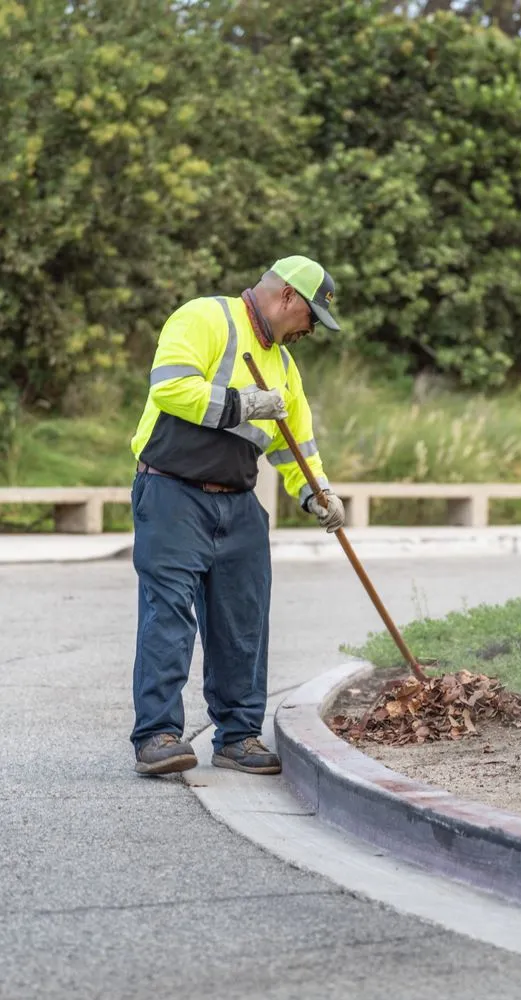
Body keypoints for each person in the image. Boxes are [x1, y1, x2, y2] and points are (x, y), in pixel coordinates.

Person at [129, 255, 345, 776]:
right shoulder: (204, 318)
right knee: (170, 613)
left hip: (238, 501)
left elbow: (297, 447)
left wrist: (318, 492)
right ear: (288, 296)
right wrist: (243, 404)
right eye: (311, 316)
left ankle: (238, 736)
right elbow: (171, 387)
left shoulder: (285, 368)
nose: (310, 330)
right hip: (171, 490)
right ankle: (158, 735)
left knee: (244, 621)